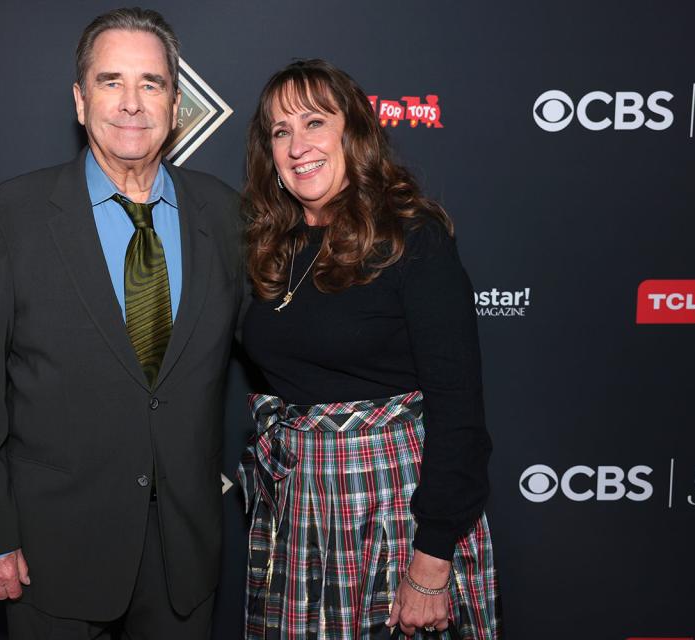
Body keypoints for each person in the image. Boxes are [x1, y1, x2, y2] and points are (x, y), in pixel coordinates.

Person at [0, 8, 243, 639]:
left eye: (151, 83)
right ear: (81, 102)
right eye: (111, 82)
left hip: (183, 559)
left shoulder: (224, 216)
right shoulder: (10, 217)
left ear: (176, 101)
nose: (131, 103)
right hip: (51, 556)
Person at [237, 59, 501, 639]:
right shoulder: (272, 247)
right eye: (281, 131)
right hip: (300, 508)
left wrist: (432, 562)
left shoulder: (412, 238)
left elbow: (459, 414)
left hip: (390, 509)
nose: (297, 145)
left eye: (313, 123)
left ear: (353, 133)